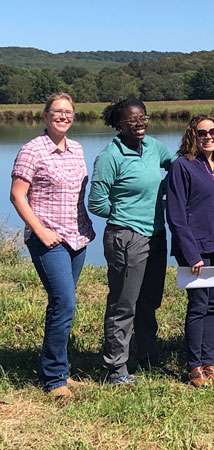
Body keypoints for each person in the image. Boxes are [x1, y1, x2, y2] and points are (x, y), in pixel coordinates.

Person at [10, 93, 95, 398]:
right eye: (57, 112)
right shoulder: (32, 150)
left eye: (68, 112)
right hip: (49, 239)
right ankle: (54, 378)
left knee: (63, 305)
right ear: (46, 115)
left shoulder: (77, 149)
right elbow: (17, 196)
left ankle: (59, 369)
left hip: (77, 237)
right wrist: (41, 232)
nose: (63, 116)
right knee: (64, 303)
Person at [88, 98, 175, 385]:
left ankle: (148, 356)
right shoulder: (109, 157)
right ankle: (116, 368)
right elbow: (96, 203)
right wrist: (125, 214)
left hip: (157, 234)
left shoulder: (153, 147)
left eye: (143, 119)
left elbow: (176, 165)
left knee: (149, 301)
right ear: (118, 125)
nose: (139, 125)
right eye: (132, 121)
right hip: (126, 237)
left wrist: (171, 187)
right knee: (124, 304)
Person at [166, 115, 214, 387]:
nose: (208, 136)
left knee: (213, 306)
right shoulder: (182, 166)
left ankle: (209, 361)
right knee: (198, 305)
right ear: (192, 136)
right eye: (202, 133)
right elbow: (175, 215)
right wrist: (191, 254)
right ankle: (194, 365)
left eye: (213, 131)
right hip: (195, 250)